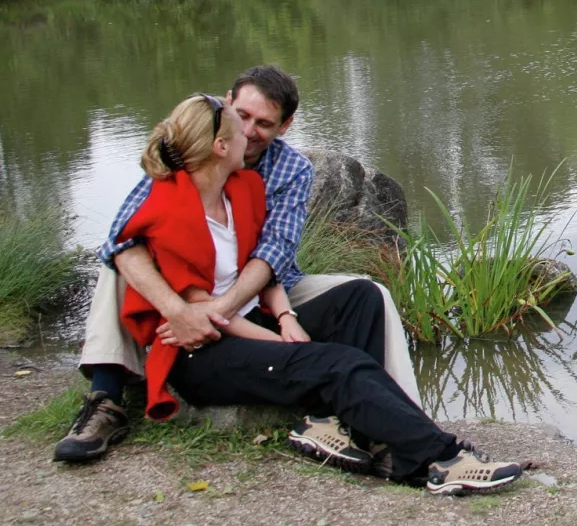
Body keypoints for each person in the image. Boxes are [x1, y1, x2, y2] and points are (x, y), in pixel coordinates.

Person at [84, 93, 523, 494]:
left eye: (263, 124)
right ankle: (441, 459)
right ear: (220, 146)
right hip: (201, 351)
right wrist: (281, 342)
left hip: (245, 318)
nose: (250, 137)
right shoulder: (169, 210)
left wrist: (286, 318)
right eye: (241, 127)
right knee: (340, 363)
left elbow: (265, 265)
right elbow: (206, 314)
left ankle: (333, 425)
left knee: (360, 298)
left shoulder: (242, 190)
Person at [56, 65, 416, 464]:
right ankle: (106, 399)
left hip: (265, 281)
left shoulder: (291, 168)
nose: (249, 131)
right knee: (119, 262)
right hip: (192, 283)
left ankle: (389, 413)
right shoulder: (192, 143)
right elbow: (123, 236)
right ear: (228, 103)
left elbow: (273, 252)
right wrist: (180, 311)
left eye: (264, 123)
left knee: (370, 292)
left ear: (286, 125)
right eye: (242, 116)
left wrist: (226, 312)